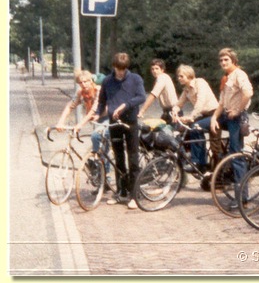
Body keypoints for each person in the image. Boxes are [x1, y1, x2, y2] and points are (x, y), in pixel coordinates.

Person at [93, 53, 146, 210]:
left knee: (133, 159)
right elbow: (102, 100)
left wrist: (125, 105)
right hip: (114, 123)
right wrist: (97, 113)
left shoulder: (135, 79)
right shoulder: (108, 81)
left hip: (130, 122)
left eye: (123, 69)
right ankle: (121, 192)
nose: (121, 72)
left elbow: (141, 97)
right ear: (114, 67)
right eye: (118, 69)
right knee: (118, 158)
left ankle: (134, 195)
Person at [210, 48, 254, 198]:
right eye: (221, 60)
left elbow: (248, 93)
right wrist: (213, 118)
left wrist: (237, 110)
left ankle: (242, 197)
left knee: (236, 155)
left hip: (236, 118)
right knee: (196, 127)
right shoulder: (226, 77)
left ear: (233, 61)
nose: (223, 62)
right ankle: (207, 165)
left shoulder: (239, 75)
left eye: (226, 60)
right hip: (225, 115)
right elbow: (221, 102)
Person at [172, 64, 219, 173]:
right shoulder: (186, 89)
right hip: (203, 114)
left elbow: (200, 103)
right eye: (178, 76)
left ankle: (200, 163)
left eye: (181, 76)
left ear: (189, 76)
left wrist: (191, 117)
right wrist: (175, 111)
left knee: (195, 128)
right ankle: (189, 157)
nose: (179, 78)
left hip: (214, 114)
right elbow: (179, 103)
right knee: (182, 130)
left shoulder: (200, 83)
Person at [56, 70, 108, 165]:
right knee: (97, 142)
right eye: (80, 82)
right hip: (96, 120)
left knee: (100, 143)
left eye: (86, 81)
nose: (83, 84)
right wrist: (60, 122)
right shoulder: (81, 93)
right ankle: (98, 167)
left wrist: (80, 125)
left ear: (91, 81)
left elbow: (93, 111)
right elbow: (69, 106)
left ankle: (106, 174)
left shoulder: (98, 91)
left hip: (108, 117)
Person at [138, 59, 179, 124]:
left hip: (174, 111)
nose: (154, 71)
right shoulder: (160, 78)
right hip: (166, 112)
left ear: (162, 70)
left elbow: (153, 95)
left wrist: (142, 111)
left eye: (157, 69)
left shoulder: (162, 77)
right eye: (152, 69)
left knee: (170, 133)